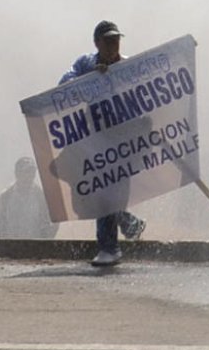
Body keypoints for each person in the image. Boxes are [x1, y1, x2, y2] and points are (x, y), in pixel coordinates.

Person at [59, 20, 146, 267]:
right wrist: (91, 78)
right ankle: (127, 225)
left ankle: (110, 247)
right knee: (93, 192)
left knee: (110, 192)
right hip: (93, 141)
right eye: (107, 41)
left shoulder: (128, 66)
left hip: (123, 141)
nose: (113, 45)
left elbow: (144, 99)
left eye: (116, 40)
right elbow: (63, 85)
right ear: (97, 43)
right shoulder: (85, 64)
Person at [0, 156, 56, 239]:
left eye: (32, 172)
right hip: (12, 247)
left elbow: (49, 224)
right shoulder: (5, 197)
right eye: (26, 172)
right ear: (17, 173)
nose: (30, 176)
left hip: (35, 248)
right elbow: (1, 227)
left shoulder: (41, 197)